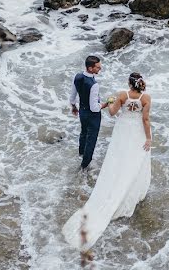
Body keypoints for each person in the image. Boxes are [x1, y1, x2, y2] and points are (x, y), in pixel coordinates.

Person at [62, 72, 152, 249]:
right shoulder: (146, 97)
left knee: (118, 158)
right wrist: (148, 138)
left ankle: (115, 181)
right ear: (140, 84)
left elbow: (112, 113)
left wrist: (110, 100)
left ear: (129, 83)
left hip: (123, 130)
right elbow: (146, 119)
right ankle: (134, 189)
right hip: (138, 131)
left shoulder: (121, 95)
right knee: (136, 160)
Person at [69, 55, 108, 169]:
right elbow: (94, 107)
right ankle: (84, 165)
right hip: (93, 115)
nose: (99, 69)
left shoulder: (78, 76)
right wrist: (105, 104)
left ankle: (81, 154)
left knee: (84, 133)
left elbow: (72, 97)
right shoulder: (93, 85)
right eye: (97, 67)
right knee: (91, 139)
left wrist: (74, 107)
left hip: (82, 111)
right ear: (90, 68)